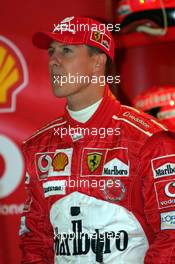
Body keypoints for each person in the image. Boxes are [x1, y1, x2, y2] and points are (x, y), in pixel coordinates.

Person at [19, 16, 175, 264]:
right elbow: (36, 240)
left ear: (98, 62)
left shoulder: (150, 141)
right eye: (51, 52)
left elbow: (170, 238)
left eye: (66, 50)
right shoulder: (39, 146)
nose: (53, 61)